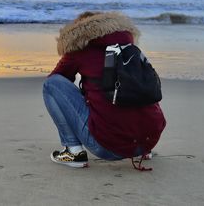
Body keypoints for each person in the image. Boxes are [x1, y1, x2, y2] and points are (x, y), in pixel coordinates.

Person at [42, 11, 166, 169]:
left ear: (80, 30)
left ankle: (73, 150)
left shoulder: (80, 49)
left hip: (108, 149)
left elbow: (58, 80)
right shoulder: (130, 48)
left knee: (51, 85)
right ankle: (141, 150)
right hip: (148, 142)